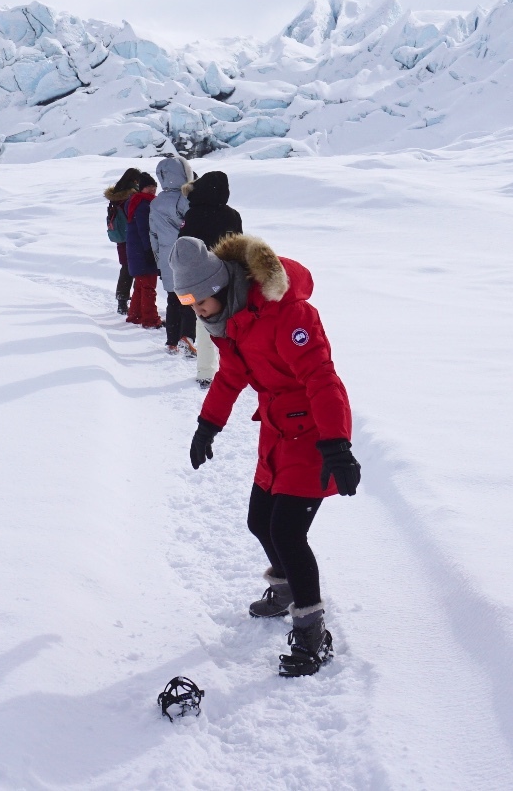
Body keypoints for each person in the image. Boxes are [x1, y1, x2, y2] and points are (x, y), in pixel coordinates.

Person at [176, 233, 361, 678]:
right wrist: (208, 424)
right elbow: (232, 375)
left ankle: (313, 634)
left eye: (198, 300)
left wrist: (336, 444)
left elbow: (322, 378)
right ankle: (285, 590)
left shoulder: (286, 314)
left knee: (287, 532)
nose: (194, 310)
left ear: (221, 289)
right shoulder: (233, 322)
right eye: (186, 300)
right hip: (279, 432)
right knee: (260, 522)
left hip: (315, 431)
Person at [175, 170, 243, 384]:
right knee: (232, 323)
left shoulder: (193, 214)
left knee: (204, 322)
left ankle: (205, 372)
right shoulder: (232, 215)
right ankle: (237, 369)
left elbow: (182, 246)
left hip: (199, 278)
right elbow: (239, 246)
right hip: (226, 275)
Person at [150, 157, 195, 356]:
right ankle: (187, 336)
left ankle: (171, 341)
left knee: (172, 299)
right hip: (184, 253)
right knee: (188, 298)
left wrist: (158, 258)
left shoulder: (156, 202)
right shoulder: (185, 199)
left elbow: (153, 234)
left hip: (165, 255)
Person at [122, 172, 162, 329]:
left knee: (141, 285)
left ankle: (135, 315)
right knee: (148, 287)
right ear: (141, 188)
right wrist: (149, 250)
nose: (152, 190)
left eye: (154, 187)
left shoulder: (135, 201)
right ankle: (150, 320)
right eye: (149, 187)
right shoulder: (144, 204)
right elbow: (145, 230)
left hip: (135, 251)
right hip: (142, 250)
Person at [104, 168, 143, 315]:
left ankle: (122, 300)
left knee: (126, 268)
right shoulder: (131, 196)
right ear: (135, 181)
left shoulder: (115, 196)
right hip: (132, 237)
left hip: (121, 238)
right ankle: (134, 302)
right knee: (135, 268)